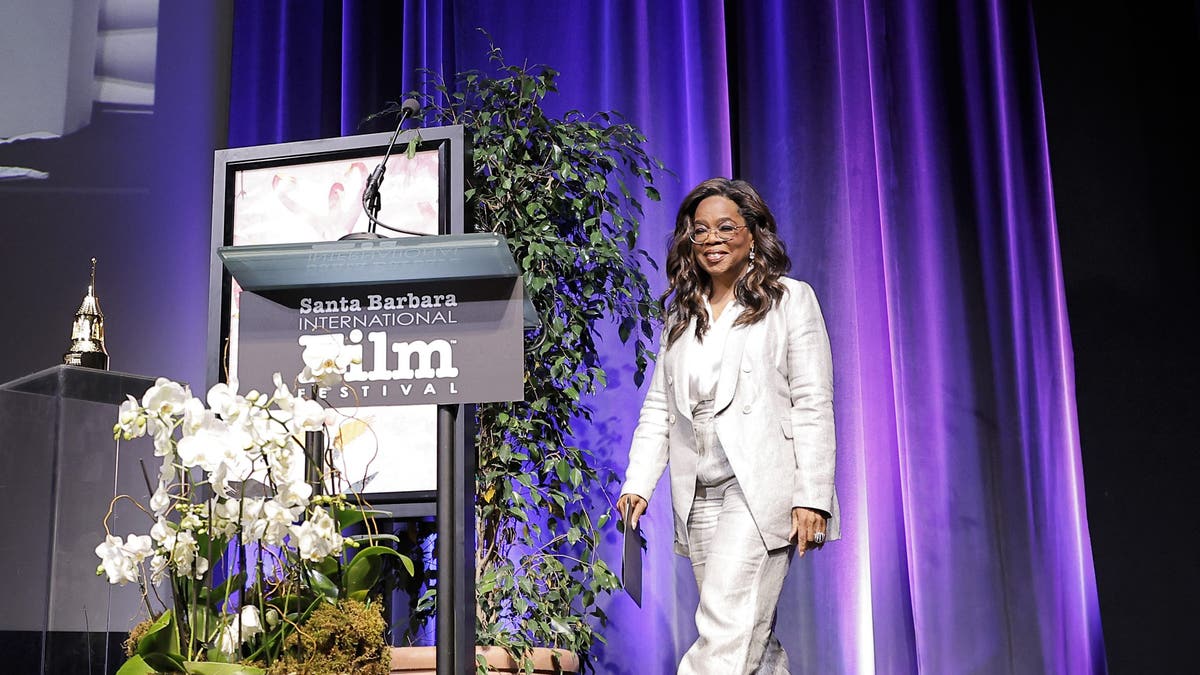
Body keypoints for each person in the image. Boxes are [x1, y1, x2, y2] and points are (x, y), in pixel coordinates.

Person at [617, 178, 839, 674]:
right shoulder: (683, 317)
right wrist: (638, 483)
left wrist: (813, 495)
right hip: (699, 494)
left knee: (724, 629)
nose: (712, 239)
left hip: (760, 489)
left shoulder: (789, 300)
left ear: (753, 233)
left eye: (725, 227)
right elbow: (659, 407)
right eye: (700, 231)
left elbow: (812, 401)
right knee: (751, 640)